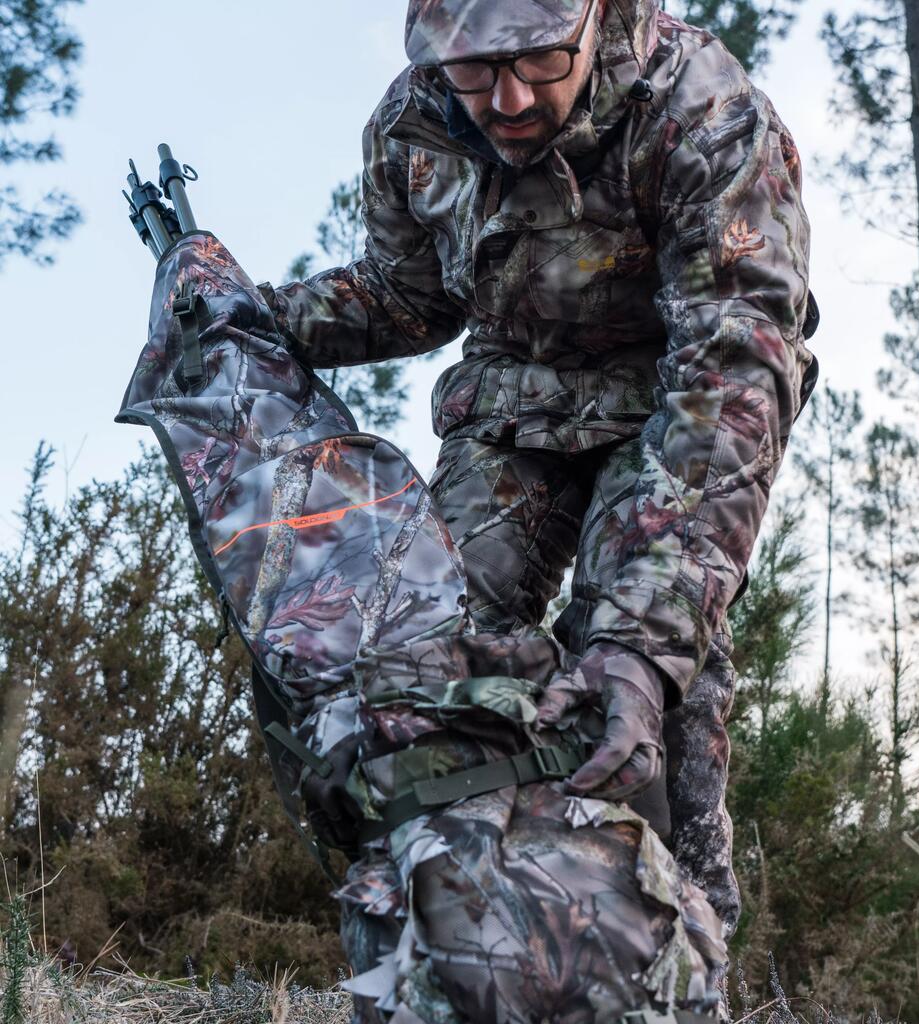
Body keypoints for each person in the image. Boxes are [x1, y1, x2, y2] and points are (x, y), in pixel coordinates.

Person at [257, 0, 818, 945]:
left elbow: (731, 375)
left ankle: (682, 964)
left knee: (637, 696)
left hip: (672, 409)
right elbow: (408, 297)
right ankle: (458, 954)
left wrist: (644, 643)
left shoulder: (704, 112)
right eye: (473, 70)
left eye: (539, 61)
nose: (508, 99)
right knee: (421, 658)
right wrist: (254, 316)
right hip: (514, 412)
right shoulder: (414, 126)